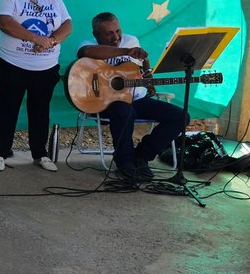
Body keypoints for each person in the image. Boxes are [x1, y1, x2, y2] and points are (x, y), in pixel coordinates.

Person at [76, 12, 187, 181]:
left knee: (181, 116)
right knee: (124, 111)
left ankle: (142, 156)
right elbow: (86, 52)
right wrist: (125, 51)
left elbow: (143, 60)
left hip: (137, 99)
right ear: (96, 35)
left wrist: (149, 78)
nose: (116, 37)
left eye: (118, 31)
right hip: (105, 103)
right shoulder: (87, 45)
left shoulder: (131, 40)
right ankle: (125, 161)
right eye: (109, 33)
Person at [0, 0, 72, 172]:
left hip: (46, 66)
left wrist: (50, 41)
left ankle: (39, 154)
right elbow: (3, 22)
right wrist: (36, 39)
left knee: (40, 110)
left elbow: (67, 24)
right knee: (8, 107)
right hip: (13, 63)